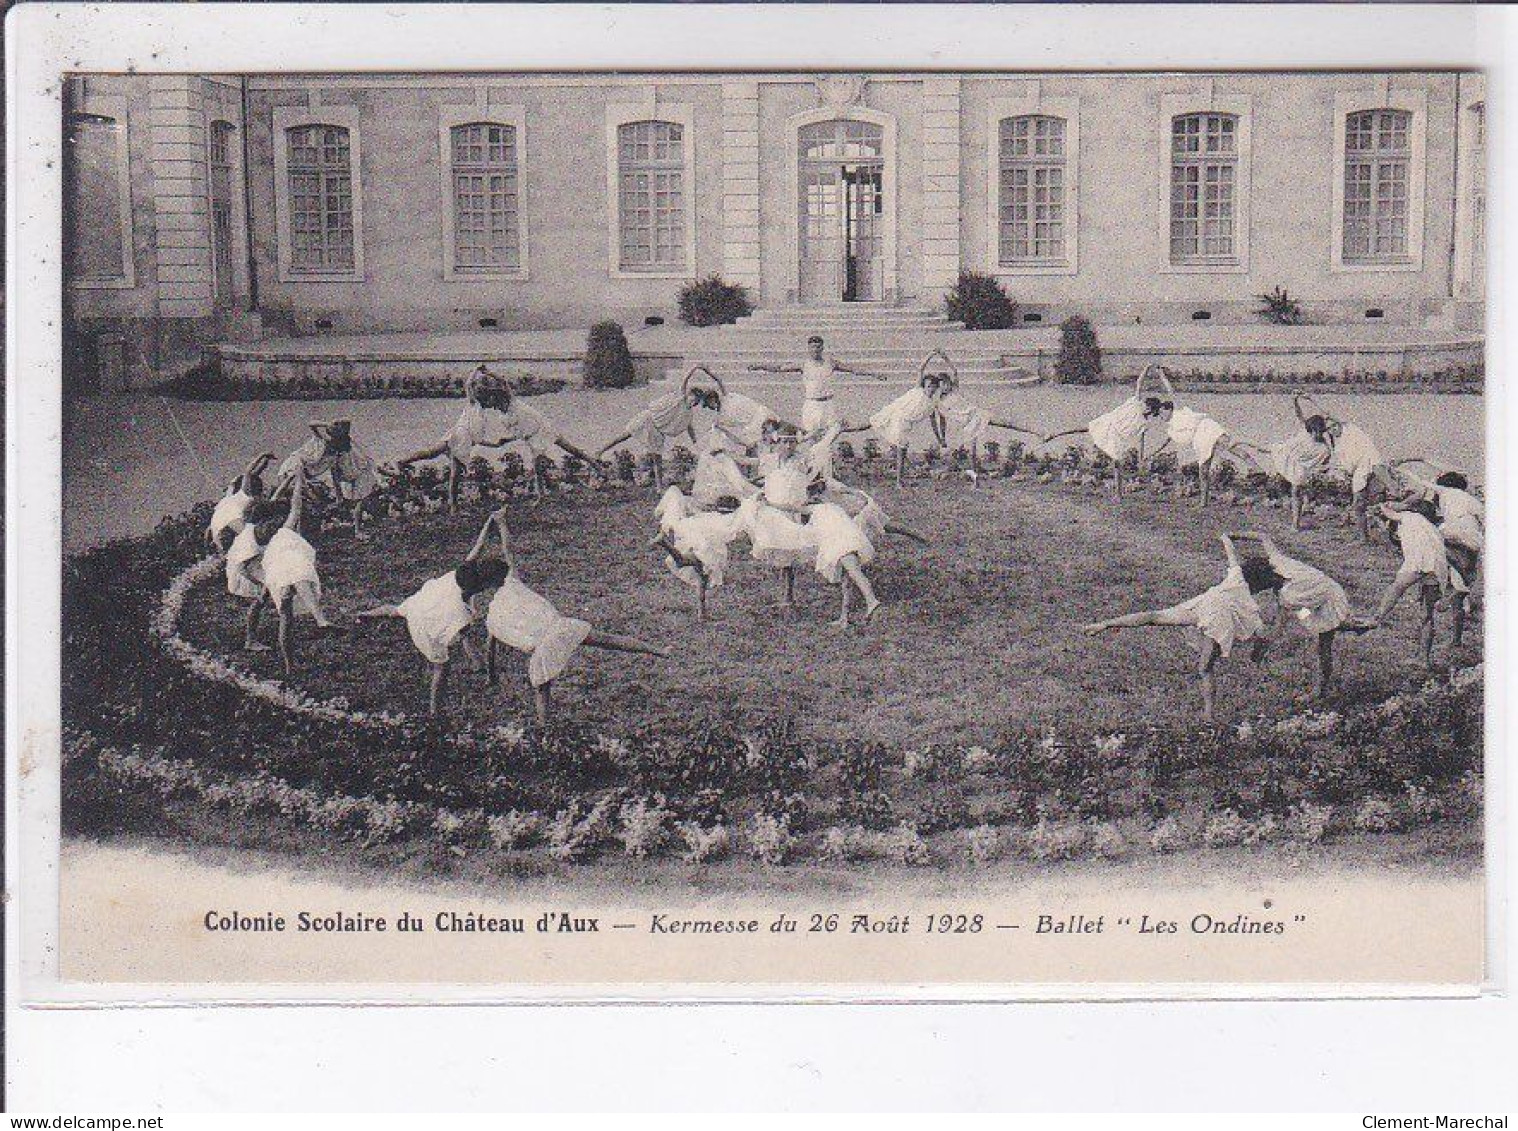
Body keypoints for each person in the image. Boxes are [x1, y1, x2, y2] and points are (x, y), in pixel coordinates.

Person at [467, 509, 668, 725]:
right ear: (502, 575)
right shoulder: (512, 582)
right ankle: (658, 651)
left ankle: (545, 728)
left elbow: (491, 649)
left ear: (486, 585)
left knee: (542, 690)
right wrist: (503, 523)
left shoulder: (493, 615)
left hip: (544, 647)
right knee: (607, 640)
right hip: (562, 628)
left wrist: (491, 675)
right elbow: (509, 552)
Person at [1084, 533, 1267, 722]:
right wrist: (1257, 652)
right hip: (1215, 618)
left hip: (1205, 605)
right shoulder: (1250, 603)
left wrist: (1226, 537)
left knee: (1154, 617)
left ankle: (1104, 624)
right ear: (1260, 587)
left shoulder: (1236, 575)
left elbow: (1231, 552)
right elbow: (1261, 632)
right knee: (1205, 669)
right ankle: (1208, 714)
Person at [357, 507, 518, 715]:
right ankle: (435, 712)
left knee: (395, 610)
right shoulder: (460, 614)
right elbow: (463, 639)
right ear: (483, 585)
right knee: (441, 667)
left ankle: (366, 615)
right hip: (423, 623)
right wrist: (479, 663)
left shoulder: (463, 571)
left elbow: (478, 546)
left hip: (423, 600)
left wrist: (489, 522)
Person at [1229, 531, 1372, 700]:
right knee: (1306, 619)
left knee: (1320, 643)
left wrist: (1264, 643)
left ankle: (1320, 690)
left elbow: (1278, 627)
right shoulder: (1278, 562)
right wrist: (1235, 535)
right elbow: (1263, 537)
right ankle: (1352, 625)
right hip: (1327, 589)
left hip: (1328, 602)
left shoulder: (1289, 596)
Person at [235, 479, 339, 676]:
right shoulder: (280, 530)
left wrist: (286, 483)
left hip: (272, 571)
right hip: (264, 569)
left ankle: (289, 666)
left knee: (285, 615)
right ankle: (320, 620)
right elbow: (296, 507)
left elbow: (273, 503)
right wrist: (298, 482)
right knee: (297, 579)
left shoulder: (256, 530)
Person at [1041, 365, 1172, 500]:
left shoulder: (1144, 423)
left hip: (1116, 436)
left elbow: (1141, 439)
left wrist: (1141, 456)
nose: (1144, 405)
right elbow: (1139, 382)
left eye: (1147, 405)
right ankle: (1054, 434)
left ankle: (1118, 494)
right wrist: (1146, 368)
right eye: (1145, 403)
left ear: (1150, 409)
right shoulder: (1135, 403)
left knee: (1117, 463)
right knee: (1084, 428)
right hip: (1109, 422)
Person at [1368, 499, 1465, 667]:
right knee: (1426, 614)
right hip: (1438, 566)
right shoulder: (1431, 529)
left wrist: (1383, 505)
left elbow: (1387, 512)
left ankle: (1376, 618)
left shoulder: (1410, 516)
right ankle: (1424, 659)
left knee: (1397, 587)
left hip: (1420, 560)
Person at [595, 367, 717, 490]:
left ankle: (659, 487)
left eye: (696, 401)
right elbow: (685, 379)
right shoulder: (679, 397)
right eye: (693, 398)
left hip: (657, 431)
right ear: (688, 394)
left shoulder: (688, 413)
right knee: (624, 436)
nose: (693, 402)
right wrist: (696, 368)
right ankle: (600, 451)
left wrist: (695, 442)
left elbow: (690, 428)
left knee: (657, 459)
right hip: (648, 419)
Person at [928, 351, 1043, 480]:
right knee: (972, 451)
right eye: (942, 384)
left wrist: (945, 359)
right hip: (968, 423)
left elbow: (955, 372)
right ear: (939, 386)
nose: (945, 386)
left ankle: (1036, 432)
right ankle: (975, 478)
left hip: (976, 414)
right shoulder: (939, 403)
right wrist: (941, 439)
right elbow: (941, 422)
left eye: (947, 383)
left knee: (1004, 423)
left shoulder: (954, 390)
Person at [1298, 394, 1396, 541]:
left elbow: (1327, 413)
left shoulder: (1350, 428)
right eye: (1329, 429)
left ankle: (1397, 502)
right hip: (1359, 471)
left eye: (1334, 426)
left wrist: (1311, 400)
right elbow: (1305, 422)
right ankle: (1364, 538)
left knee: (1387, 486)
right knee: (1358, 504)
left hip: (1371, 460)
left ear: (1339, 423)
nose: (1333, 430)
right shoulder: (1335, 443)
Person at [748, 334, 885, 436]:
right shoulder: (803, 364)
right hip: (811, 405)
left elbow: (853, 369)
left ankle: (827, 471)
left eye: (818, 346)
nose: (815, 349)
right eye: (813, 347)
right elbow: (779, 368)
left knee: (830, 436)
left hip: (828, 404)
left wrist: (874, 374)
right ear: (808, 348)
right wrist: (759, 366)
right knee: (810, 436)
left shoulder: (830, 362)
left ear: (822, 347)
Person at [651, 487, 746, 620]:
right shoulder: (724, 520)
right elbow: (732, 530)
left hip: (692, 534)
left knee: (702, 578)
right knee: (690, 566)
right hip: (704, 544)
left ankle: (702, 613)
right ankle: (665, 544)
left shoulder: (709, 516)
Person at [1145, 401, 1261, 508]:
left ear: (1169, 409)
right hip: (1200, 439)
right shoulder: (1171, 428)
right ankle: (1203, 502)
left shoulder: (1180, 412)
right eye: (1159, 415)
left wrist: (1162, 377)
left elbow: (1170, 390)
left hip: (1207, 427)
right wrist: (1153, 453)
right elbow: (1165, 442)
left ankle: (1256, 467)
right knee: (1203, 471)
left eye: (1162, 413)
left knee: (1231, 447)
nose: (1161, 417)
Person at [278, 419, 379, 538]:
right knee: (297, 501)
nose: (340, 451)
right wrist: (326, 424)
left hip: (304, 474)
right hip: (294, 468)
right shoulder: (321, 441)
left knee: (302, 503)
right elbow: (311, 424)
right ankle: (293, 534)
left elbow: (335, 475)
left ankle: (297, 534)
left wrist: (339, 495)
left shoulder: (335, 456)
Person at [856, 361, 944, 489]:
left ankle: (899, 480)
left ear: (936, 388)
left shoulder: (932, 404)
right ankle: (842, 429)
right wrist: (930, 355)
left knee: (901, 450)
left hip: (904, 423)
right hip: (896, 414)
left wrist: (940, 438)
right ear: (924, 386)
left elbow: (934, 422)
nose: (931, 388)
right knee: (871, 423)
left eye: (933, 386)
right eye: (929, 385)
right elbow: (921, 369)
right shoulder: (917, 390)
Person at [207, 451, 276, 550]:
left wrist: (263, 460)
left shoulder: (231, 495)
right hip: (225, 533)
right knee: (253, 538)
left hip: (217, 529)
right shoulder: (238, 509)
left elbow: (248, 473)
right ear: (255, 494)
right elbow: (248, 537)